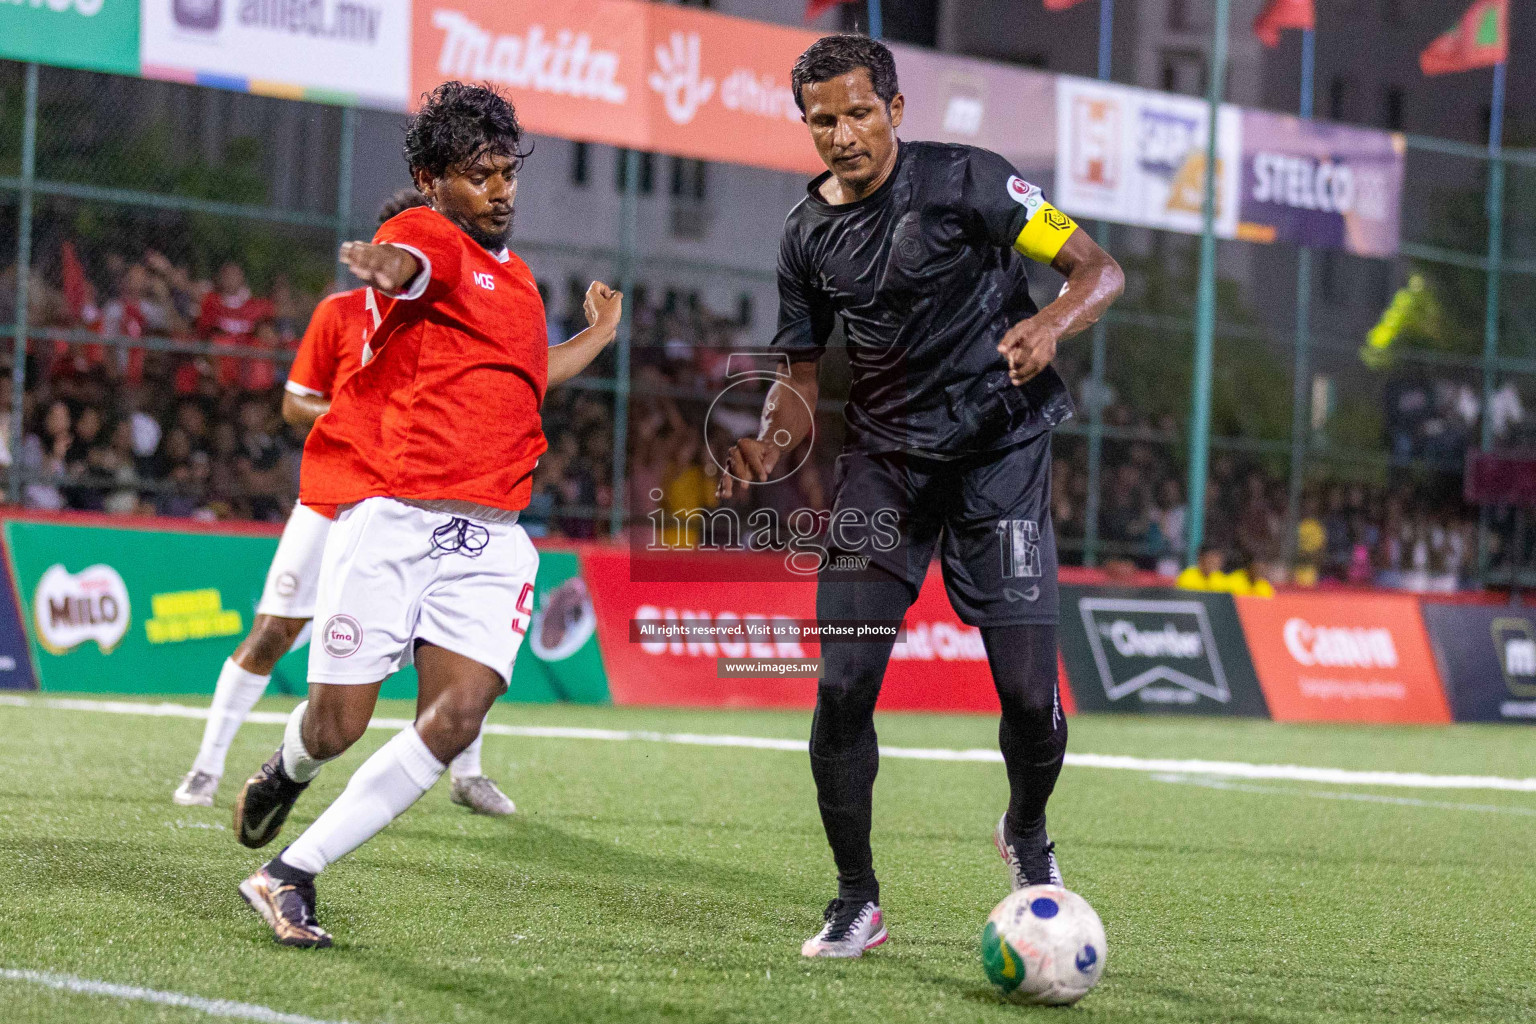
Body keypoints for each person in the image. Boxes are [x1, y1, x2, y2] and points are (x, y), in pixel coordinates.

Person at [717, 36, 1123, 958]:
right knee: (842, 686)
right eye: (823, 120)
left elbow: (1099, 270)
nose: (843, 134)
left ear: (895, 110)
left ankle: (1025, 830)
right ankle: (857, 900)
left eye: (859, 113)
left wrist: (1051, 323)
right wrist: (768, 444)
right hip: (886, 469)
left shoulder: (970, 180)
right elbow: (799, 375)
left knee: (1028, 699)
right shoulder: (804, 234)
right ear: (806, 126)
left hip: (1001, 453)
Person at [230, 82, 623, 948]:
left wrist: (596, 335)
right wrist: (387, 267)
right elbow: (408, 270)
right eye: (480, 176)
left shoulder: (516, 280)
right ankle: (290, 765)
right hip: (397, 520)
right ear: (430, 178)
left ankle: (290, 874)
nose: (501, 191)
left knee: (455, 720)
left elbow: (526, 372)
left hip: (492, 538)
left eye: (507, 175)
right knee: (337, 727)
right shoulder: (423, 235)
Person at [170, 190, 524, 816]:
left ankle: (466, 773)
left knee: (456, 638)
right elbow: (292, 403)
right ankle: (206, 768)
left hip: (420, 499)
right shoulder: (340, 312)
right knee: (275, 631)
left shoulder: (466, 310)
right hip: (337, 495)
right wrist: (362, 414)